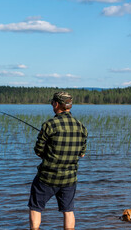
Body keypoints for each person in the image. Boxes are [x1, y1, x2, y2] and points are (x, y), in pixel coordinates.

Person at [28, 92, 88, 230]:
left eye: (52, 103)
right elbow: (82, 154)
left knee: (36, 207)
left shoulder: (49, 125)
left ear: (56, 104)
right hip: (69, 179)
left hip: (47, 177)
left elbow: (38, 151)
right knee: (68, 210)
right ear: (69, 105)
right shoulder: (81, 127)